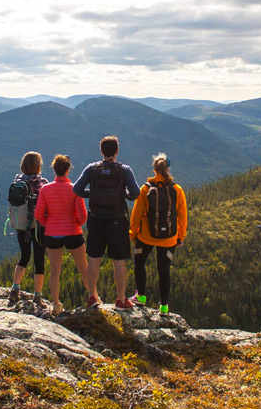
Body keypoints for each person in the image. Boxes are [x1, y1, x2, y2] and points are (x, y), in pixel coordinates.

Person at [73, 135, 140, 311]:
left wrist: (91, 194)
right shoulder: (124, 170)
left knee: (94, 259)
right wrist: (123, 195)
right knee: (119, 262)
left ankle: (92, 297)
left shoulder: (92, 168)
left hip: (95, 219)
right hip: (117, 220)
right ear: (117, 151)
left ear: (101, 151)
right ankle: (121, 300)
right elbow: (135, 193)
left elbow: (77, 189)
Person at [129, 153, 188, 316]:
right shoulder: (177, 190)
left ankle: (140, 296)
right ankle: (164, 307)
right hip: (169, 238)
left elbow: (136, 214)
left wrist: (133, 233)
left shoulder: (146, 188)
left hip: (146, 236)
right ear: (168, 168)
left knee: (139, 263)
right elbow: (182, 216)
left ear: (154, 169)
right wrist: (181, 236)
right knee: (164, 270)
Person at [33, 154, 89, 316]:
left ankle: (56, 304)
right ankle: (93, 297)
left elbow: (38, 214)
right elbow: (83, 217)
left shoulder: (45, 189)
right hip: (73, 233)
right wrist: (74, 223)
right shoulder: (74, 189)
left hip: (52, 234)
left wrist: (48, 223)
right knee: (84, 269)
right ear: (68, 170)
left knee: (55, 271)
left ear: (54, 169)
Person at [8, 151, 49, 307]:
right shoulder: (42, 182)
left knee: (24, 256)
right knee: (39, 259)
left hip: (21, 225)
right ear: (38, 166)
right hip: (38, 227)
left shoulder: (17, 181)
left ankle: (15, 288)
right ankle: (37, 296)